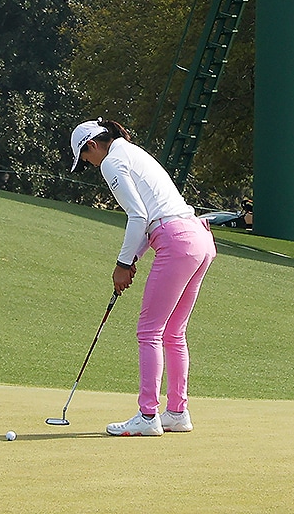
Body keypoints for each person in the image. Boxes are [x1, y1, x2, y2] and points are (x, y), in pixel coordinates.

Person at [69, 118, 216, 437]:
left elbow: (139, 216)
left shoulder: (111, 162)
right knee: (174, 332)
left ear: (91, 146)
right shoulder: (133, 152)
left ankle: (148, 416)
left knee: (149, 330)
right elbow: (154, 217)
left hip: (177, 241)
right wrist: (133, 258)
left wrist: (122, 264)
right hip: (200, 239)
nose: (91, 165)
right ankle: (177, 412)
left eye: (86, 159)